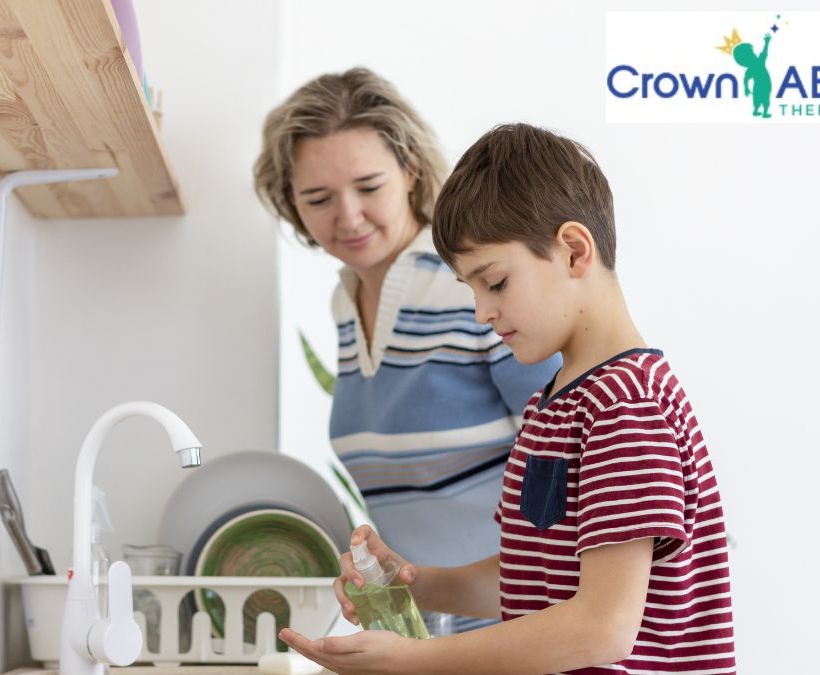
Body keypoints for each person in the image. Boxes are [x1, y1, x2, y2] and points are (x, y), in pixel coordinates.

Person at [278, 123, 736, 673]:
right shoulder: (555, 406)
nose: (481, 313)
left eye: (494, 282)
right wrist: (414, 584)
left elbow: (602, 628)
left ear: (572, 251)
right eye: (470, 290)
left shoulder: (624, 406)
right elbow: (527, 582)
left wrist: (414, 661)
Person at [254, 70, 560, 633]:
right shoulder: (344, 305)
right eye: (318, 198)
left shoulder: (472, 286)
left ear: (411, 171)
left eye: (369, 187)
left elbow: (576, 463)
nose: (347, 217)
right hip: (429, 639)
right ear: (291, 203)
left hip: (523, 634)